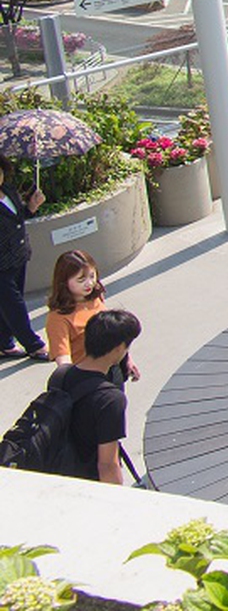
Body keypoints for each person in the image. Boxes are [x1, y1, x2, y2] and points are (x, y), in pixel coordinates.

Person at [53, 308, 141, 484]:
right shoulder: (111, 399)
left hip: (59, 469)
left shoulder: (61, 375)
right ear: (118, 349)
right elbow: (107, 464)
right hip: (88, 480)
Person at [44, 251, 136, 385]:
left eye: (92, 276)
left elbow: (113, 333)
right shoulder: (58, 318)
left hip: (112, 368)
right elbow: (63, 361)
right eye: (81, 279)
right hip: (88, 378)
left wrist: (126, 358)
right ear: (64, 282)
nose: (90, 283)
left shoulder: (96, 297)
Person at [0, 162, 48, 361]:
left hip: (18, 256)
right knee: (14, 304)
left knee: (8, 303)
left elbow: (19, 217)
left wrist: (32, 207)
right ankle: (34, 345)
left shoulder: (8, 190)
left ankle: (4, 344)